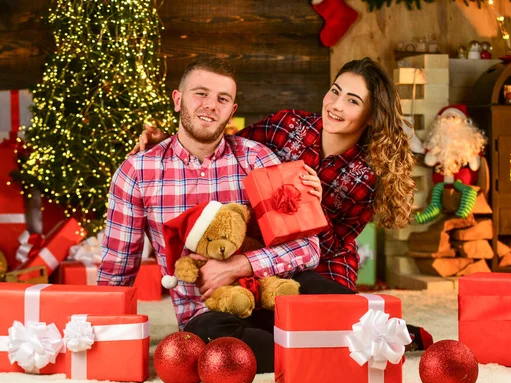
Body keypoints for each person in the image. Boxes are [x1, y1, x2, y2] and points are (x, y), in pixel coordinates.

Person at [133, 57, 433, 351]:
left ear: (370, 115)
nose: (336, 105)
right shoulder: (288, 125)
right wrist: (171, 142)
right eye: (335, 91)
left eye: (353, 101)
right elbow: (228, 147)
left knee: (315, 300)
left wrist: (311, 208)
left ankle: (388, 334)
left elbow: (322, 248)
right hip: (259, 247)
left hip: (321, 262)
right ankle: (305, 348)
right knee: (237, 321)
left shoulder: (367, 175)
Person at [98, 57, 355, 374]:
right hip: (207, 312)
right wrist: (98, 334)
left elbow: (308, 247)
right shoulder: (137, 172)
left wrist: (239, 264)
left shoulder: (258, 158)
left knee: (334, 301)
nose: (210, 106)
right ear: (178, 100)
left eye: (222, 99)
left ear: (232, 111)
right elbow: (117, 270)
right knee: (212, 344)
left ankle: (370, 335)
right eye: (200, 94)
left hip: (273, 294)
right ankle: (317, 351)